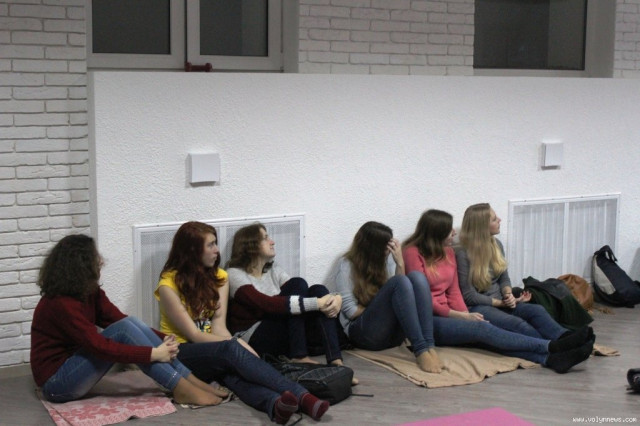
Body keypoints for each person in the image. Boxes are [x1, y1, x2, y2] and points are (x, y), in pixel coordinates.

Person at [155, 221, 330, 424]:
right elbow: (193, 335)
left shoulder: (219, 277)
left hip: (212, 348)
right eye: (210, 245)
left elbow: (219, 326)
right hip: (180, 351)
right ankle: (303, 396)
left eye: (216, 243)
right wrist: (234, 344)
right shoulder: (168, 285)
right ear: (193, 251)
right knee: (230, 351)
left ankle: (275, 405)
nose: (217, 250)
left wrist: (238, 351)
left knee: (233, 374)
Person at [30, 234, 223, 407]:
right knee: (123, 330)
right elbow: (98, 346)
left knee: (130, 323)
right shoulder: (61, 304)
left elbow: (119, 320)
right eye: (94, 257)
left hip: (74, 366)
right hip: (56, 384)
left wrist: (163, 338)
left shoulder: (89, 292)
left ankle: (190, 380)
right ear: (81, 266)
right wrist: (153, 354)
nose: (100, 261)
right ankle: (180, 387)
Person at [403, 209, 594, 374]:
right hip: (430, 320)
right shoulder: (413, 252)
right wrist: (463, 317)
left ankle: (552, 357)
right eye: (449, 229)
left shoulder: (448, 252)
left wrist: (466, 314)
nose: (454, 232)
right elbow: (424, 299)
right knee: (485, 329)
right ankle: (552, 346)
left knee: (493, 336)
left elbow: (454, 291)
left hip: (455, 314)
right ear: (436, 234)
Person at [226, 223, 351, 377]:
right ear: (251, 245)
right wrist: (318, 303)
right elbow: (266, 304)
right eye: (265, 238)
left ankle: (336, 361)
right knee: (298, 283)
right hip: (255, 338)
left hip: (280, 332)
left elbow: (298, 295)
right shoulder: (234, 274)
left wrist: (335, 298)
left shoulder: (273, 269)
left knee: (317, 289)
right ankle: (299, 356)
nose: (272, 242)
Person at [456, 203, 591, 341]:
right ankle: (552, 345)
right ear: (482, 227)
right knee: (517, 323)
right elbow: (469, 296)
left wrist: (508, 294)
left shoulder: (496, 245)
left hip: (502, 301)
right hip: (480, 306)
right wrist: (501, 303)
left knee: (536, 310)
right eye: (494, 219)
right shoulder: (463, 254)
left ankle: (565, 337)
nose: (500, 220)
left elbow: (504, 278)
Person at [333, 221, 443, 373]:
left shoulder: (387, 259)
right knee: (398, 282)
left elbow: (402, 291)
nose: (389, 250)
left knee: (417, 277)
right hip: (363, 333)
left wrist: (400, 263)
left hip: (390, 333)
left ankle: (430, 346)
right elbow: (351, 312)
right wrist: (382, 305)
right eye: (385, 246)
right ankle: (420, 349)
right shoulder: (346, 265)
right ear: (372, 248)